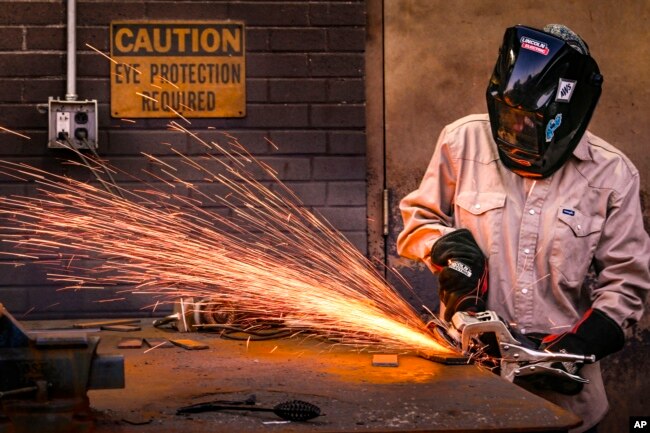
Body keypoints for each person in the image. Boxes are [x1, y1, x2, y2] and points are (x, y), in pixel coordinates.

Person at [396, 24, 650, 433]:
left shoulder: (612, 174)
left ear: (567, 115)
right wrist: (449, 251)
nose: (514, 132)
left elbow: (628, 283)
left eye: (529, 123)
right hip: (468, 384)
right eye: (508, 117)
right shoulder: (462, 142)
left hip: (565, 393)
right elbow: (417, 224)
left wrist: (577, 348)